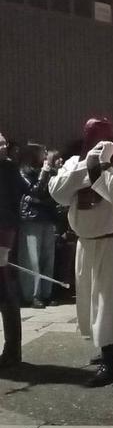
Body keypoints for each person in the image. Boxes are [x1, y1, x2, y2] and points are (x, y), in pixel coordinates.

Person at [48, 118, 113, 387]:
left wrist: (101, 165)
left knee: (107, 300)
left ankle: (110, 362)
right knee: (90, 299)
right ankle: (112, 345)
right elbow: (58, 193)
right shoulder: (75, 162)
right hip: (87, 241)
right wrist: (88, 164)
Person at [18, 144, 58, 309]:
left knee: (48, 258)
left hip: (47, 217)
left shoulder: (49, 172)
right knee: (32, 259)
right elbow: (36, 191)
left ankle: (46, 293)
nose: (46, 155)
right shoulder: (23, 172)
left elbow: (54, 193)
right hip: (31, 218)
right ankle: (32, 295)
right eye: (43, 152)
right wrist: (45, 172)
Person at [0, 132, 25, 367]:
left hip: (3, 231)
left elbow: (24, 193)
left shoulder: (8, 168)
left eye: (4, 143)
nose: (3, 146)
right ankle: (12, 350)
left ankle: (12, 349)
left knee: (6, 290)